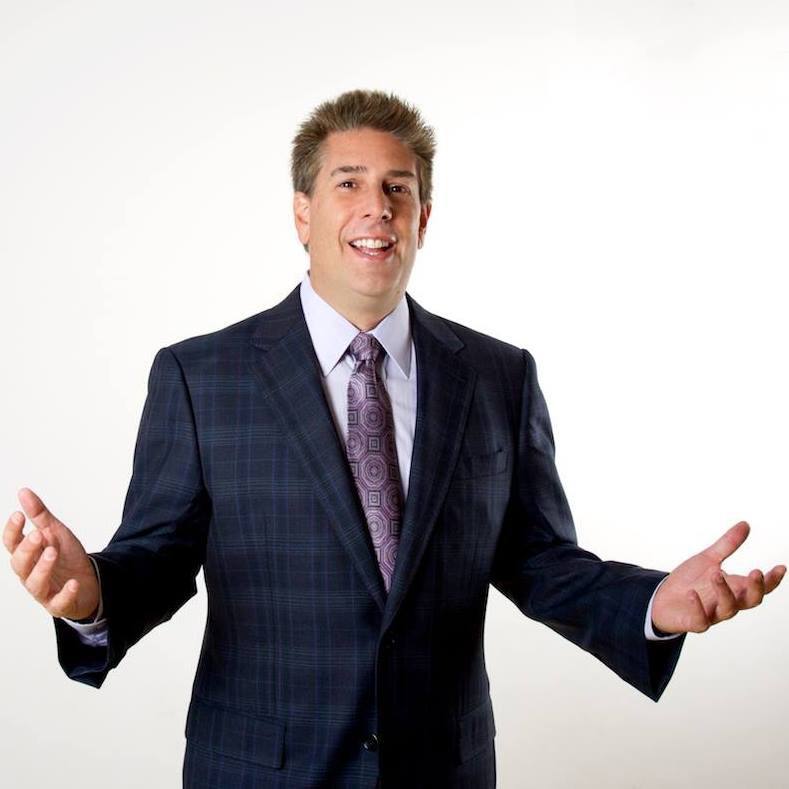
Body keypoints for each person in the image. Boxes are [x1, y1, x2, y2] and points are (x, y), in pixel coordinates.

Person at [5, 89, 785, 789]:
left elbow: (540, 560)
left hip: (441, 770)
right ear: (303, 213)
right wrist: (90, 594)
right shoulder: (200, 376)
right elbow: (158, 559)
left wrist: (652, 603)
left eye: (397, 188)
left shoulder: (497, 376)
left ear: (423, 218)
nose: (376, 207)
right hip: (259, 771)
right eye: (348, 184)